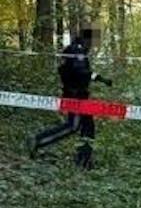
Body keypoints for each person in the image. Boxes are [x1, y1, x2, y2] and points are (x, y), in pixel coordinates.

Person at [29, 24, 110, 169]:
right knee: (73, 126)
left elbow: (83, 71)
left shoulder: (78, 50)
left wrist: (100, 78)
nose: (93, 45)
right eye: (93, 41)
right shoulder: (77, 50)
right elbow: (79, 71)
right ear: (88, 38)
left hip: (80, 95)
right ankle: (38, 140)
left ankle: (84, 160)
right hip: (75, 95)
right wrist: (94, 77)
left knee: (88, 126)